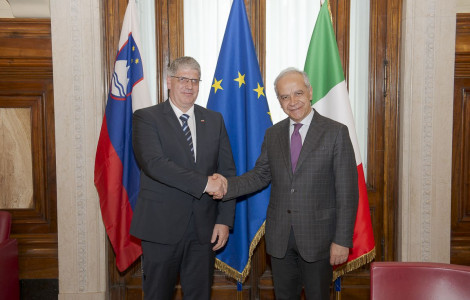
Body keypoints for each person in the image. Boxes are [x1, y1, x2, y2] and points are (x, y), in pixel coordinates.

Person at [214, 67, 358, 299]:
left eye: (298, 93)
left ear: (310, 92)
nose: (293, 101)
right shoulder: (273, 134)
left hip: (319, 238)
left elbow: (347, 192)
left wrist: (342, 241)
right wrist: (226, 186)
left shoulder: (336, 133)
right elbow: (260, 175)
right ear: (279, 101)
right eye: (285, 96)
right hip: (280, 238)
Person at [130, 56, 234, 300]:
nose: (189, 85)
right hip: (160, 229)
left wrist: (224, 220)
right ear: (169, 81)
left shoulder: (214, 120)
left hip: (204, 230)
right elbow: (155, 165)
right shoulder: (146, 117)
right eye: (183, 79)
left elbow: (227, 172)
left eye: (195, 80)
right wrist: (205, 183)